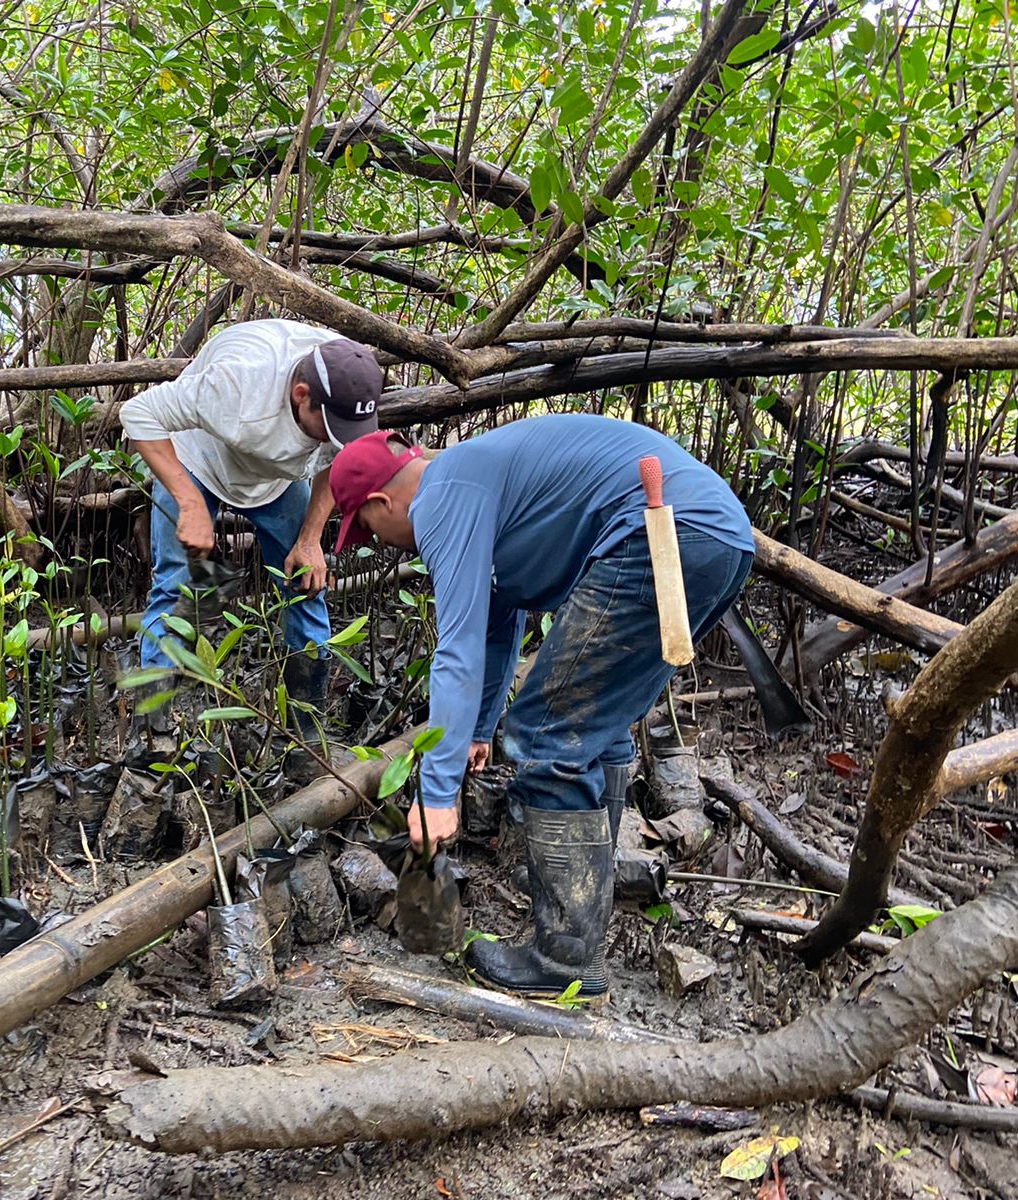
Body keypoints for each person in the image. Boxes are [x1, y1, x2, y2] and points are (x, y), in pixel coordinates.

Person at [329, 414, 753, 999]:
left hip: (657, 529)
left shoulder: (443, 497)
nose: (377, 540)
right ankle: (584, 917)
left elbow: (454, 650)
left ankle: (563, 960)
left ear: (382, 501)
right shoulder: (476, 483)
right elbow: (498, 623)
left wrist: (436, 794)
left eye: (369, 528)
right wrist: (477, 728)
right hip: (719, 537)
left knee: (547, 733)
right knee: (595, 729)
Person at [119, 319, 384, 759]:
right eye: (329, 425)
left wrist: (311, 538)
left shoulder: (347, 380)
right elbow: (138, 415)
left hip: (277, 482)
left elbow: (338, 460)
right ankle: (154, 738)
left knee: (306, 584)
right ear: (301, 395)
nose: (337, 436)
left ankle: (307, 732)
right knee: (174, 587)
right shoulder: (237, 383)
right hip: (197, 460)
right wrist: (189, 503)